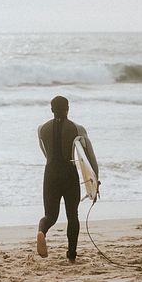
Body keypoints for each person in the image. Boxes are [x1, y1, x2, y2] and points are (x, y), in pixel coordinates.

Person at [36, 95, 98, 262]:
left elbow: (45, 153)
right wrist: (95, 181)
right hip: (69, 173)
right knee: (72, 215)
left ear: (51, 109)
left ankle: (41, 232)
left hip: (50, 173)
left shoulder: (41, 129)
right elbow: (90, 158)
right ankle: (71, 254)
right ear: (68, 108)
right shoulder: (77, 129)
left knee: (50, 215)